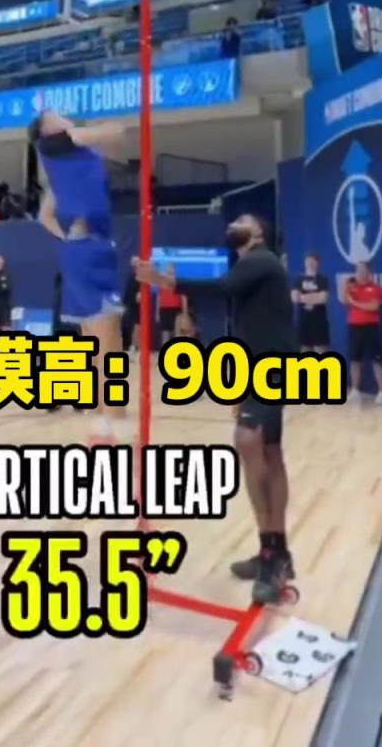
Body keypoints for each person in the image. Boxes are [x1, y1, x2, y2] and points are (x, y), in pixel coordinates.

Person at [135, 214, 296, 603]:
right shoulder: (251, 266)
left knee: (248, 441)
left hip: (271, 366)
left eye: (243, 220)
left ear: (258, 232)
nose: (234, 224)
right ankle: (275, 552)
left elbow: (221, 288)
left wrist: (163, 281)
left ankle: (273, 555)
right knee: (268, 451)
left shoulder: (261, 259)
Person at [30, 109, 126, 442]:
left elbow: (44, 216)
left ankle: (101, 423)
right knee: (109, 342)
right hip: (89, 251)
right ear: (46, 130)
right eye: (55, 116)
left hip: (84, 249)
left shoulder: (68, 165)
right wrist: (81, 128)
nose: (63, 116)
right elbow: (118, 131)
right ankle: (116, 426)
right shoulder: (64, 142)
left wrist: (67, 238)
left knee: (98, 343)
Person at [345, 262, 382, 404]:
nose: (359, 273)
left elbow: (373, 306)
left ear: (369, 273)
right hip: (354, 327)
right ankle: (355, 390)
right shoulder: (352, 288)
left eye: (362, 270)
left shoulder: (376, 288)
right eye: (357, 270)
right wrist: (346, 287)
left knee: (376, 359)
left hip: (371, 327)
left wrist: (355, 303)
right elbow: (345, 300)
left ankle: (381, 392)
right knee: (355, 359)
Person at [291, 253, 330, 352]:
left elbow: (322, 298)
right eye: (308, 261)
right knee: (305, 348)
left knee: (320, 349)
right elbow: (295, 298)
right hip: (304, 319)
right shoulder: (299, 279)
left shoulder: (322, 279)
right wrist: (314, 297)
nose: (310, 263)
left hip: (319, 320)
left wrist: (303, 297)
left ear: (318, 264)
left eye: (313, 261)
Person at [157, 264, 187, 349]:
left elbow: (183, 298)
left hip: (176, 308)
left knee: (177, 332)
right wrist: (157, 312)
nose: (170, 273)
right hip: (164, 309)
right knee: (165, 332)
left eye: (172, 272)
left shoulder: (179, 282)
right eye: (169, 271)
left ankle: (177, 350)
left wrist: (184, 313)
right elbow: (159, 297)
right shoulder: (162, 282)